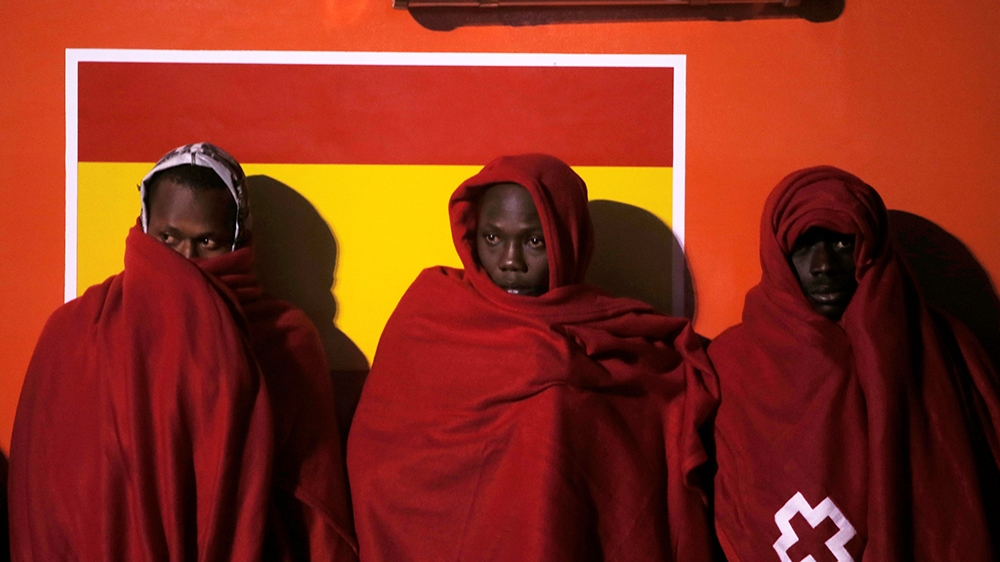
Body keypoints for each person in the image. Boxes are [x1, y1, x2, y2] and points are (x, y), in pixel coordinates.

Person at [346, 154, 720, 561]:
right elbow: (377, 460)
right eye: (493, 238)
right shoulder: (431, 314)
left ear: (570, 240)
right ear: (471, 236)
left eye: (534, 241)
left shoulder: (622, 336)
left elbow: (637, 468)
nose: (510, 262)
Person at [9, 143, 358, 561]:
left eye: (206, 241)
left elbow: (310, 508)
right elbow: (45, 490)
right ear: (143, 226)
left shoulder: (284, 341)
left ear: (237, 240)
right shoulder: (77, 331)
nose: (185, 261)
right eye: (168, 238)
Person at [710, 166, 1000, 561]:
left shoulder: (947, 351)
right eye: (805, 244)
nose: (824, 265)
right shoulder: (732, 364)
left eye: (843, 243)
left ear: (872, 249)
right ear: (777, 254)